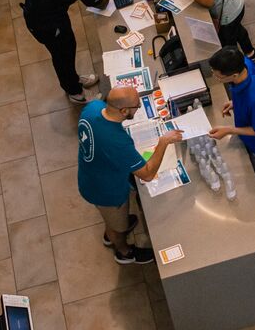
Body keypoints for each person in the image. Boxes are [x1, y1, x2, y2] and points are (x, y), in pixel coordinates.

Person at [78, 86, 183, 264]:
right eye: (137, 106)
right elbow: (147, 174)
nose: (139, 107)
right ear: (124, 111)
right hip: (107, 192)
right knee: (117, 227)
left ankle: (114, 227)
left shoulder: (93, 108)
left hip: (90, 175)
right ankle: (123, 251)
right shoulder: (116, 141)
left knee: (115, 219)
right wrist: (164, 141)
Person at [23, 0, 124, 104]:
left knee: (69, 46)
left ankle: (73, 79)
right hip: (45, 21)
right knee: (63, 55)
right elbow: (100, 3)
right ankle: (75, 92)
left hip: (41, 3)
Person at [208, 46, 255, 212]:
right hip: (252, 132)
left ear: (234, 75)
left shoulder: (254, 100)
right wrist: (236, 103)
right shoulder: (246, 64)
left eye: (219, 76)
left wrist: (229, 130)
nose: (215, 77)